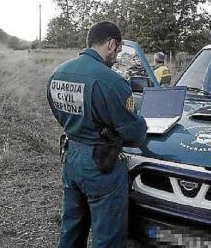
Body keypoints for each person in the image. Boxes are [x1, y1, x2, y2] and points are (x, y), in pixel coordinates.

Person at [46, 21, 147, 248]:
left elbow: (58, 114)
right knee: (107, 235)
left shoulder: (58, 73)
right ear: (111, 44)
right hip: (101, 165)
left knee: (71, 226)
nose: (117, 56)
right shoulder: (111, 81)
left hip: (70, 157)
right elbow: (134, 133)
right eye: (118, 50)